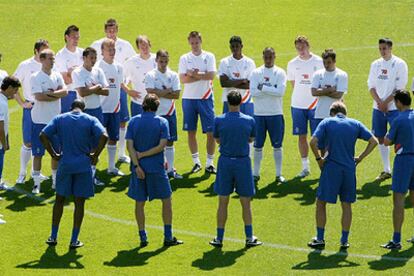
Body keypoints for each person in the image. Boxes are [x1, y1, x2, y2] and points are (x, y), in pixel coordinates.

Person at [307, 101, 378, 250]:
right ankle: (344, 240)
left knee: (321, 203)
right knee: (346, 205)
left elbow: (312, 142)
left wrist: (319, 159)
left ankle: (320, 238)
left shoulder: (327, 122)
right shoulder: (355, 124)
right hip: (349, 170)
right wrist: (360, 157)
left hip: (331, 169)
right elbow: (374, 141)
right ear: (344, 112)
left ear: (332, 112)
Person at [41, 99, 108, 249]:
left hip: (65, 164)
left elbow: (43, 135)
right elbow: (104, 136)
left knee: (59, 199)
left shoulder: (60, 118)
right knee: (79, 202)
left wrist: (53, 154)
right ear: (83, 109)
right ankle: (74, 239)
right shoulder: (91, 119)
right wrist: (95, 155)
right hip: (83, 165)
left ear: (71, 107)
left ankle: (53, 236)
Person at [126, 94, 183, 247]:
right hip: (156, 168)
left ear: (143, 105)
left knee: (140, 202)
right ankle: (168, 236)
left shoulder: (133, 121)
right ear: (157, 107)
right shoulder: (162, 122)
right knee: (166, 200)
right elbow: (162, 145)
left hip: (139, 169)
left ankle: (143, 236)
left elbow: (129, 146)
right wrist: (145, 154)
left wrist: (137, 165)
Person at [209, 90, 262, 248]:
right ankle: (249, 237)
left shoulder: (219, 120)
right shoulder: (249, 120)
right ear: (241, 102)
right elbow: (251, 139)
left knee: (222, 202)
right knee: (246, 203)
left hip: (225, 162)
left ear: (228, 102)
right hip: (242, 163)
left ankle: (219, 238)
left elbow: (217, 139)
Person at [91, 18, 136, 164]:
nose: (111, 32)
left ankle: (121, 154)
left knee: (122, 121)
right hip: (104, 91)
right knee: (100, 125)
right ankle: (94, 161)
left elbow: (132, 63)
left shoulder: (125, 45)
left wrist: (127, 82)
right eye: (109, 30)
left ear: (117, 29)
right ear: (105, 30)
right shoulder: (97, 44)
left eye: (114, 29)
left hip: (119, 88)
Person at [368, 38, 408, 181]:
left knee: (400, 137)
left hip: (395, 108)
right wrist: (380, 103)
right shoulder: (375, 64)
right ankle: (386, 169)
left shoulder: (400, 64)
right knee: (380, 137)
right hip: (378, 108)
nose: (382, 51)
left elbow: (400, 88)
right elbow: (371, 86)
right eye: (380, 49)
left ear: (390, 48)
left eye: (384, 48)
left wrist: (385, 102)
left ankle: (403, 168)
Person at [179, 31, 217, 174]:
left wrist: (193, 74)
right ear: (189, 42)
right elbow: (183, 79)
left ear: (201, 41)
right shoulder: (184, 58)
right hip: (189, 99)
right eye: (192, 43)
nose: (195, 45)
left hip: (205, 98)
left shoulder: (209, 56)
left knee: (210, 131)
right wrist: (202, 76)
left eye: (197, 42)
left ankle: (209, 163)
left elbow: (212, 75)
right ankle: (196, 162)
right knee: (191, 132)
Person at [30, 49, 68, 194]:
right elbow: (39, 97)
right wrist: (55, 94)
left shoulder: (57, 75)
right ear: (42, 60)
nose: (52, 61)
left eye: (53, 58)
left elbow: (64, 92)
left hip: (55, 121)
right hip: (39, 120)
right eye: (50, 59)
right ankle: (36, 184)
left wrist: (49, 93)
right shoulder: (35, 77)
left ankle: (54, 181)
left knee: (56, 153)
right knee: (38, 153)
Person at [381, 90, 414, 250]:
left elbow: (387, 141)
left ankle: (396, 239)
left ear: (399, 102)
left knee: (399, 199)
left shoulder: (398, 119)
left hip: (404, 160)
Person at [287, 35, 324, 178]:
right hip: (297, 105)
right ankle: (305, 167)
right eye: (298, 48)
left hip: (315, 105)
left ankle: (323, 165)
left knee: (318, 137)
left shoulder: (319, 62)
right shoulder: (292, 64)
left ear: (308, 46)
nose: (300, 50)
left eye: (303, 47)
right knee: (301, 136)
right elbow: (293, 84)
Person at [14, 39, 50, 185]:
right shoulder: (26, 65)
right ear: (36, 51)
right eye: (43, 50)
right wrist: (22, 103)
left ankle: (36, 172)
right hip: (31, 107)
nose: (46, 53)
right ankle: (22, 173)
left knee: (42, 140)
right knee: (28, 141)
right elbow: (12, 84)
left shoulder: (49, 65)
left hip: (46, 107)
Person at [71, 47, 109, 186]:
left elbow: (106, 91)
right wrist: (97, 87)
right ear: (84, 58)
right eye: (91, 58)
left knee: (96, 144)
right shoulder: (77, 72)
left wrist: (93, 89)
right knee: (82, 144)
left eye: (95, 58)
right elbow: (82, 92)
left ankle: (91, 175)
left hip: (97, 111)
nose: (93, 61)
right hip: (83, 112)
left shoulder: (98, 71)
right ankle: (81, 174)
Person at [250, 47, 287, 183]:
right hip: (259, 114)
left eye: (270, 57)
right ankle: (255, 174)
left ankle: (278, 175)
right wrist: (272, 89)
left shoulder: (280, 72)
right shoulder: (256, 72)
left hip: (275, 113)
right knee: (257, 145)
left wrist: (263, 88)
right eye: (266, 57)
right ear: (263, 57)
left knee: (277, 145)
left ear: (275, 56)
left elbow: (281, 92)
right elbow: (253, 92)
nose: (268, 59)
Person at [145, 49, 182, 179]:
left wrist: (159, 92)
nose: (163, 64)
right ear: (156, 61)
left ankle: (170, 169)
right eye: (161, 61)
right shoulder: (150, 75)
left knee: (170, 142)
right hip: (155, 114)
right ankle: (157, 169)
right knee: (155, 143)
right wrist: (168, 91)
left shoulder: (173, 75)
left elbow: (177, 95)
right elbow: (150, 93)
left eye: (165, 61)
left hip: (170, 112)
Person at [95, 38, 124, 176]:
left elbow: (120, 86)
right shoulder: (97, 68)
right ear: (102, 52)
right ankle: (92, 171)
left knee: (113, 138)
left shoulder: (119, 67)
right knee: (96, 141)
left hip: (114, 109)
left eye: (113, 49)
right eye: (109, 50)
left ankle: (111, 167)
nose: (112, 52)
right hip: (100, 109)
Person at [311, 49, 348, 126]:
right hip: (320, 114)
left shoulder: (342, 75)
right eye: (324, 62)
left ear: (334, 61)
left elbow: (339, 95)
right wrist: (330, 90)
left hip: (337, 116)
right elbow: (313, 92)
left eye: (329, 62)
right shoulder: (317, 74)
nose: (326, 65)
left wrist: (322, 91)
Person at [55, 25, 83, 113]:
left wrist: (72, 72)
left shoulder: (83, 52)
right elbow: (65, 80)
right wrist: (81, 73)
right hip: (69, 94)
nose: (76, 40)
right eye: (73, 37)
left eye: (78, 37)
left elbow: (90, 76)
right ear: (66, 37)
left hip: (83, 93)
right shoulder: (60, 55)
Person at [0, 77, 21, 191]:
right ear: (9, 88)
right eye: (15, 90)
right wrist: (4, 144)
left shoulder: (2, 99)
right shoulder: (1, 103)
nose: (16, 93)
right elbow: (0, 127)